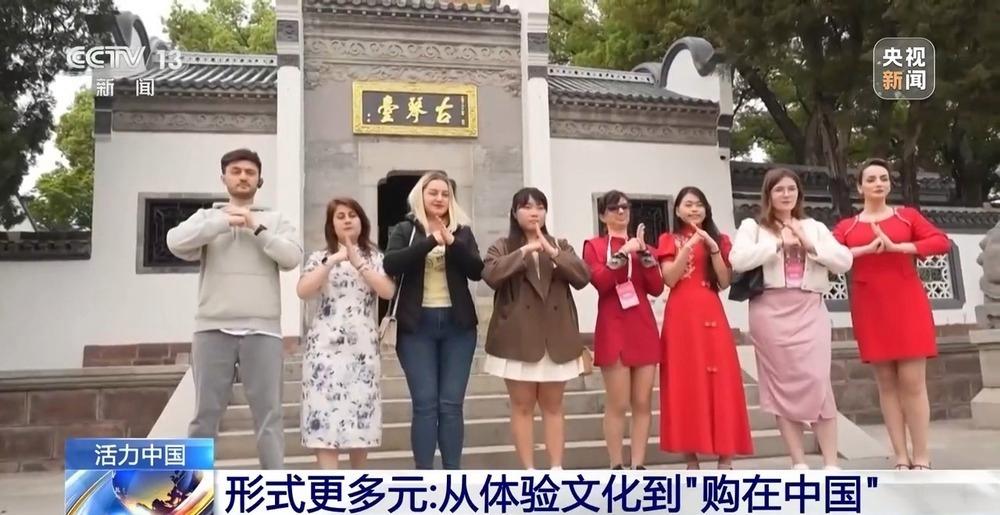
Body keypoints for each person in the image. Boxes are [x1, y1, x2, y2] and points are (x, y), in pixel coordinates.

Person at [166, 148, 302, 470]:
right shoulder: (206, 218)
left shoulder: (275, 220)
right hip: (212, 328)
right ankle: (192, 488)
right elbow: (175, 242)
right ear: (224, 178)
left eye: (250, 172)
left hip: (263, 331)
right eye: (236, 171)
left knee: (269, 416)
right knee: (205, 415)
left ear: (259, 180)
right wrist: (222, 222)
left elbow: (292, 258)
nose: (243, 177)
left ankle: (274, 487)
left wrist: (257, 228)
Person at [730, 168, 853, 470]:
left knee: (818, 381)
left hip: (809, 307)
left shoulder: (814, 227)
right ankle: (798, 462)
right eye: (779, 189)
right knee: (780, 385)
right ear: (768, 194)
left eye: (791, 189)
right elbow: (737, 260)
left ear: (799, 193)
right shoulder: (753, 227)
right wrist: (777, 244)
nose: (786, 194)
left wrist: (810, 245)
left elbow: (844, 261)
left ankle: (831, 462)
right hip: (769, 310)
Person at [832, 158, 951, 470]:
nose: (878, 184)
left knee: (913, 382)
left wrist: (899, 247)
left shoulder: (906, 216)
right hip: (870, 305)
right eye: (871, 179)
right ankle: (900, 455)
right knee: (886, 383)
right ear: (859, 187)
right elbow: (830, 255)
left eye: (883, 178)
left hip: (907, 302)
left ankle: (921, 455)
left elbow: (941, 242)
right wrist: (864, 250)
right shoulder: (848, 226)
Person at [482, 187, 591, 470]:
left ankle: (556, 468)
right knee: (522, 406)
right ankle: (528, 470)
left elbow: (582, 277)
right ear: (514, 212)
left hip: (556, 337)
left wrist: (553, 252)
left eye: (540, 207)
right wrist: (525, 251)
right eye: (527, 207)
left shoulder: (560, 245)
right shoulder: (502, 246)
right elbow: (491, 275)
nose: (534, 212)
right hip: (517, 339)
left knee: (554, 406)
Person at [383, 171, 484, 470]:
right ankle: (424, 476)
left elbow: (477, 270)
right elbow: (391, 263)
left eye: (445, 194)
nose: (439, 198)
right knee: (425, 403)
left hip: (458, 327)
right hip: (416, 327)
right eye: (433, 193)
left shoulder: (462, 231)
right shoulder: (405, 229)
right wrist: (430, 241)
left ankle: (452, 473)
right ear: (421, 195)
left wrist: (451, 242)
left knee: (451, 405)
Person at [657, 186, 753, 469]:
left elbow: (723, 281)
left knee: (723, 380)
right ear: (677, 210)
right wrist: (687, 246)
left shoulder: (719, 239)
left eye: (699, 204)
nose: (694, 209)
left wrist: (712, 248)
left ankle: (726, 456)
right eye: (688, 204)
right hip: (681, 317)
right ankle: (691, 458)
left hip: (711, 311)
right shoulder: (668, 239)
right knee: (684, 381)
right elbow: (669, 279)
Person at [296, 197, 396, 469]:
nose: (347, 220)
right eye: (340, 216)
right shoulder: (320, 257)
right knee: (323, 418)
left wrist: (358, 263)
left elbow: (387, 291)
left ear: (362, 221)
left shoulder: (375, 257)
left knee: (360, 417)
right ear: (331, 225)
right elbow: (303, 291)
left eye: (352, 215)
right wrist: (332, 261)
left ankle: (357, 480)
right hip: (324, 349)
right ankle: (331, 484)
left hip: (362, 349)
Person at [582, 190, 663, 470]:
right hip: (613, 325)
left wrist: (644, 254)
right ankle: (616, 464)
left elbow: (656, 287)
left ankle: (638, 464)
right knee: (618, 402)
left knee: (642, 401)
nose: (620, 212)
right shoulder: (593, 246)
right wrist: (622, 253)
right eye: (614, 208)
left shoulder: (644, 246)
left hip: (642, 325)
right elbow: (601, 282)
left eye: (625, 207)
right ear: (602, 214)